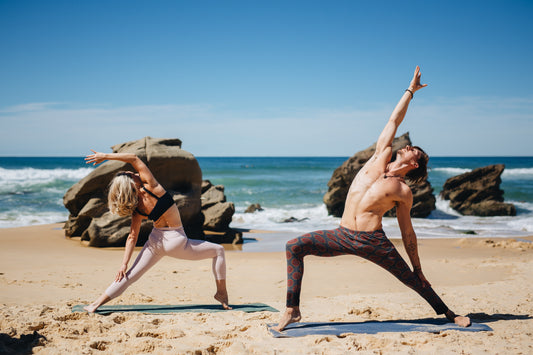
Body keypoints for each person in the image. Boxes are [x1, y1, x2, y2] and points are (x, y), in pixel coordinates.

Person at [275, 66, 470, 331]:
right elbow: (394, 121)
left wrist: (418, 267)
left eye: (415, 152)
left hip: (372, 241)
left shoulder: (403, 191)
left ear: (414, 164)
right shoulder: (380, 157)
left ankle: (448, 313)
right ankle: (292, 309)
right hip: (343, 234)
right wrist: (410, 91)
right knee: (294, 246)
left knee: (412, 280)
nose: (409, 147)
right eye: (411, 147)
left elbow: (407, 231)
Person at [83, 151, 231, 312]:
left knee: (128, 276)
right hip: (176, 241)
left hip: (155, 242)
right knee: (218, 250)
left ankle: (95, 304)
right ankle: (221, 293)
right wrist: (105, 156)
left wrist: (124, 264)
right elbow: (133, 158)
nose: (134, 172)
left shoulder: (137, 208)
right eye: (131, 173)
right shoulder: (153, 187)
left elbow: (132, 237)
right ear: (132, 182)